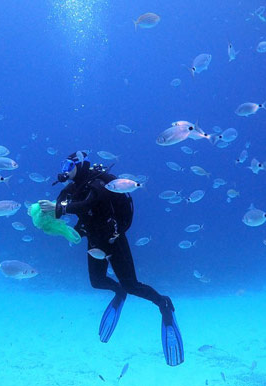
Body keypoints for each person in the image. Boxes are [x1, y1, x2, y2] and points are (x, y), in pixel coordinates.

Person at [38, 151, 184, 366]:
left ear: (80, 165)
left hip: (114, 239)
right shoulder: (71, 189)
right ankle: (119, 292)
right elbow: (61, 207)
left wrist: (60, 207)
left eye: (68, 165)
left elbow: (88, 204)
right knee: (97, 281)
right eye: (63, 165)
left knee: (132, 285)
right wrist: (45, 214)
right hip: (94, 241)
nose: (64, 170)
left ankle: (163, 304)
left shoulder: (99, 184)